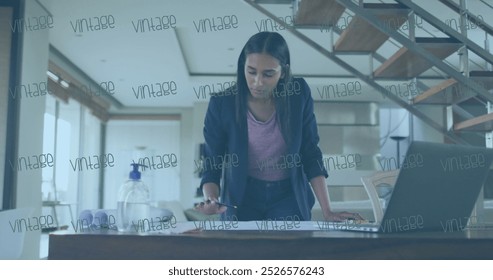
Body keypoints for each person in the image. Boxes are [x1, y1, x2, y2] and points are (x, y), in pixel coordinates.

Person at [196, 31, 362, 222]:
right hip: (242, 196)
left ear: (283, 72)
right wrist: (211, 199)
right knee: (242, 252)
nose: (257, 82)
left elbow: (310, 152)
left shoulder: (298, 94)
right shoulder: (222, 103)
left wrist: (328, 210)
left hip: (288, 195)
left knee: (289, 251)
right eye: (251, 71)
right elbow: (212, 162)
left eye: (268, 74)